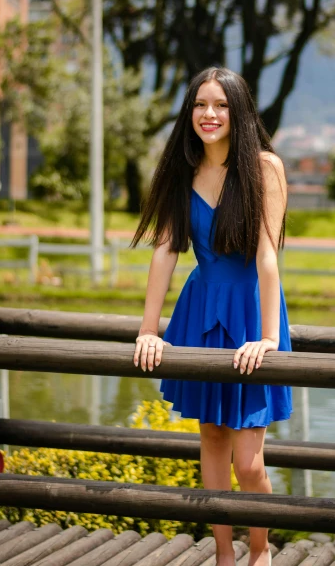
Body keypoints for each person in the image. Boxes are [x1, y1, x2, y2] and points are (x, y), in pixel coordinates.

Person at [131, 66, 293, 566]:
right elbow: (165, 249)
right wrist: (147, 330)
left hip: (251, 313)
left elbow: (268, 256)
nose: (209, 114)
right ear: (190, 112)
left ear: (239, 112)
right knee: (214, 441)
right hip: (200, 310)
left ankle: (259, 553)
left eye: (221, 105)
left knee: (249, 462)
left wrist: (267, 339)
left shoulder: (265, 168)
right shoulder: (183, 168)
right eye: (201, 104)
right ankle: (224, 554)